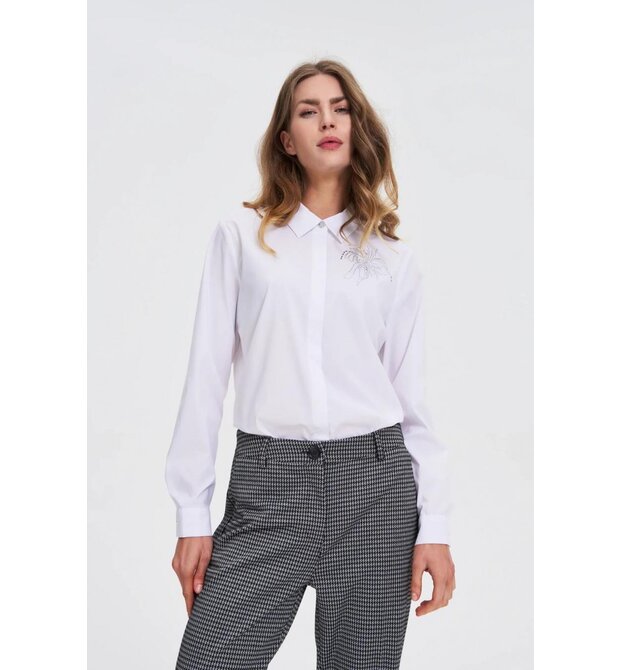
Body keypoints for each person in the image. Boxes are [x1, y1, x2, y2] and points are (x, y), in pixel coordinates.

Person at [165, 59, 456, 670]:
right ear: (286, 140)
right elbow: (205, 378)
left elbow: (411, 401)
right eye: (309, 111)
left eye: (340, 109)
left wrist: (435, 527)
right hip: (267, 485)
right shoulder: (242, 237)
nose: (328, 121)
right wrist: (192, 514)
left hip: (376, 491)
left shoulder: (392, 259)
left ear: (357, 128)